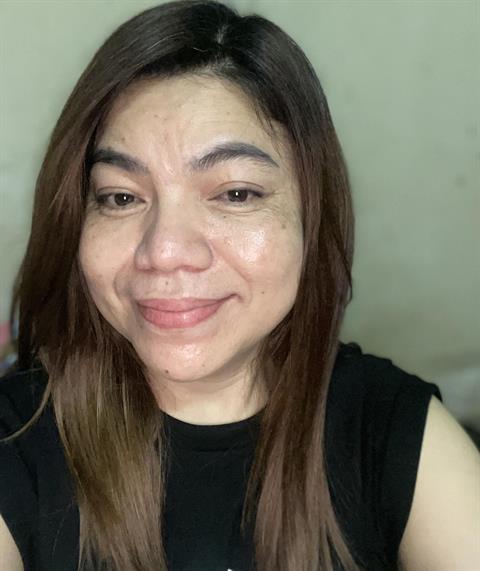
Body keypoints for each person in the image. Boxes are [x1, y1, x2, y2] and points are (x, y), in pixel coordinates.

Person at [0, 1, 478, 570]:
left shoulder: (390, 431)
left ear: (311, 216)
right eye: (120, 197)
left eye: (236, 193)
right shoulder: (16, 442)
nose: (165, 251)